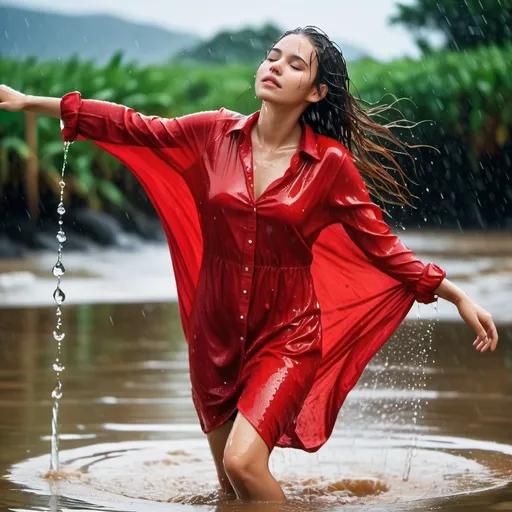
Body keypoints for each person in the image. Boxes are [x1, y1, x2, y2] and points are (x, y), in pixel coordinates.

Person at [0, 26, 499, 503]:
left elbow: (381, 245)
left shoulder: (328, 166)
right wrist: (28, 103)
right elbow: (133, 125)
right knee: (229, 487)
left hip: (288, 335)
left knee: (243, 465)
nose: (275, 67)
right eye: (271, 56)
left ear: (317, 92)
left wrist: (455, 293)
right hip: (212, 334)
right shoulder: (212, 133)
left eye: (294, 64)